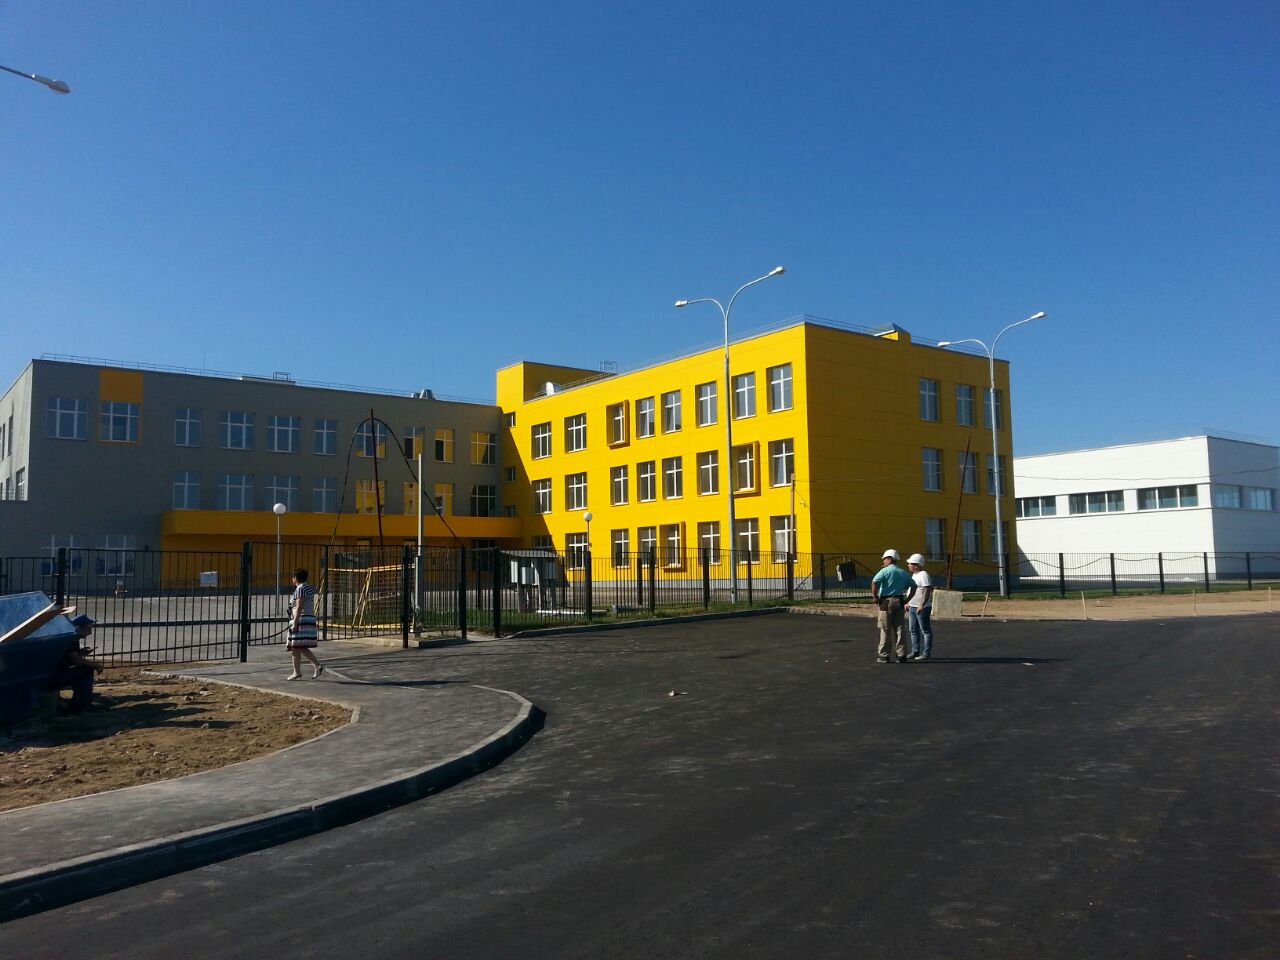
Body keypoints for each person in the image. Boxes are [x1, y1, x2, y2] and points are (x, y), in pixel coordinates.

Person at [47, 614, 104, 712]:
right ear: (78, 628)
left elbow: (68, 655)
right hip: (52, 677)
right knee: (86, 670)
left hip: (50, 674)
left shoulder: (69, 636)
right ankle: (81, 704)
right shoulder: (71, 639)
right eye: (88, 629)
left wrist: (81, 652)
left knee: (83, 669)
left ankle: (80, 700)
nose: (90, 633)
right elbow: (77, 661)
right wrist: (95, 664)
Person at [871, 549, 916, 663]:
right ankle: (901, 655)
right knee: (899, 628)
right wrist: (907, 600)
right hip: (899, 600)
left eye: (885, 559)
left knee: (885, 629)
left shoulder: (884, 571)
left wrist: (875, 597)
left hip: (886, 601)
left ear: (889, 559)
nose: (884, 561)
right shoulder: (902, 572)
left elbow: (874, 582)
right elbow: (914, 586)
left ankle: (884, 655)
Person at [286, 568, 325, 680]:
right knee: (297, 647)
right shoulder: (306, 587)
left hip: (301, 620)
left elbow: (299, 607)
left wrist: (295, 623)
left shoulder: (301, 589)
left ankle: (316, 666)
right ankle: (297, 671)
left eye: (293, 577)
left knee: (298, 646)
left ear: (295, 578)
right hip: (304, 619)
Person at [905, 553, 934, 661]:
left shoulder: (923, 575)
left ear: (916, 565)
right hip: (912, 606)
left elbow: (926, 590)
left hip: (922, 608)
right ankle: (915, 651)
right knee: (913, 629)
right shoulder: (914, 575)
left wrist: (921, 604)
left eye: (910, 563)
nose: (908, 565)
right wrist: (907, 602)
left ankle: (926, 653)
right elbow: (912, 590)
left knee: (925, 630)